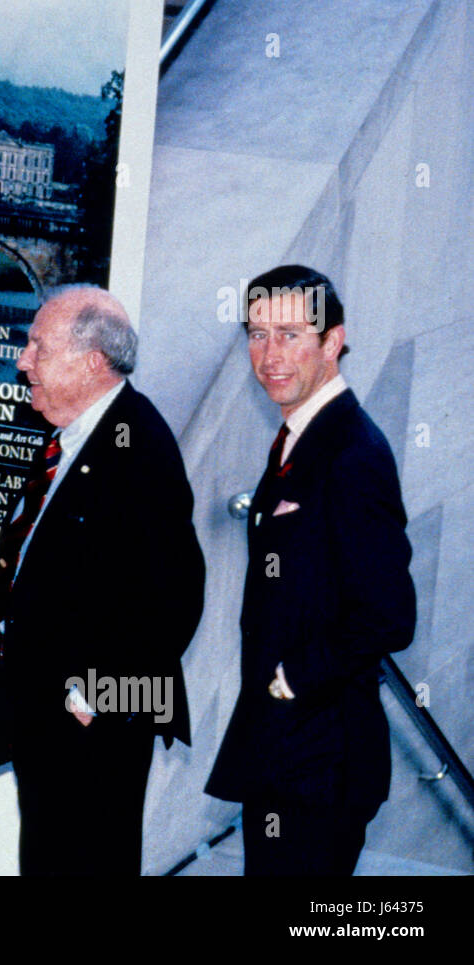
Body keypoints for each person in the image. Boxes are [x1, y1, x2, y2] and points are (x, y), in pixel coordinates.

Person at [0, 285, 204, 875]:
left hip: (91, 723)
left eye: (39, 346)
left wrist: (100, 698)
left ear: (91, 362)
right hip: (47, 711)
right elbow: (74, 555)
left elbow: (176, 598)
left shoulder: (138, 448)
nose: (22, 360)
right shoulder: (77, 433)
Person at [205, 265, 415, 875]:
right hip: (286, 750)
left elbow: (390, 615)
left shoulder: (352, 452)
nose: (269, 354)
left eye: (291, 334)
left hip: (322, 759)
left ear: (332, 341)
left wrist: (290, 678)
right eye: (256, 333)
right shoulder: (300, 433)